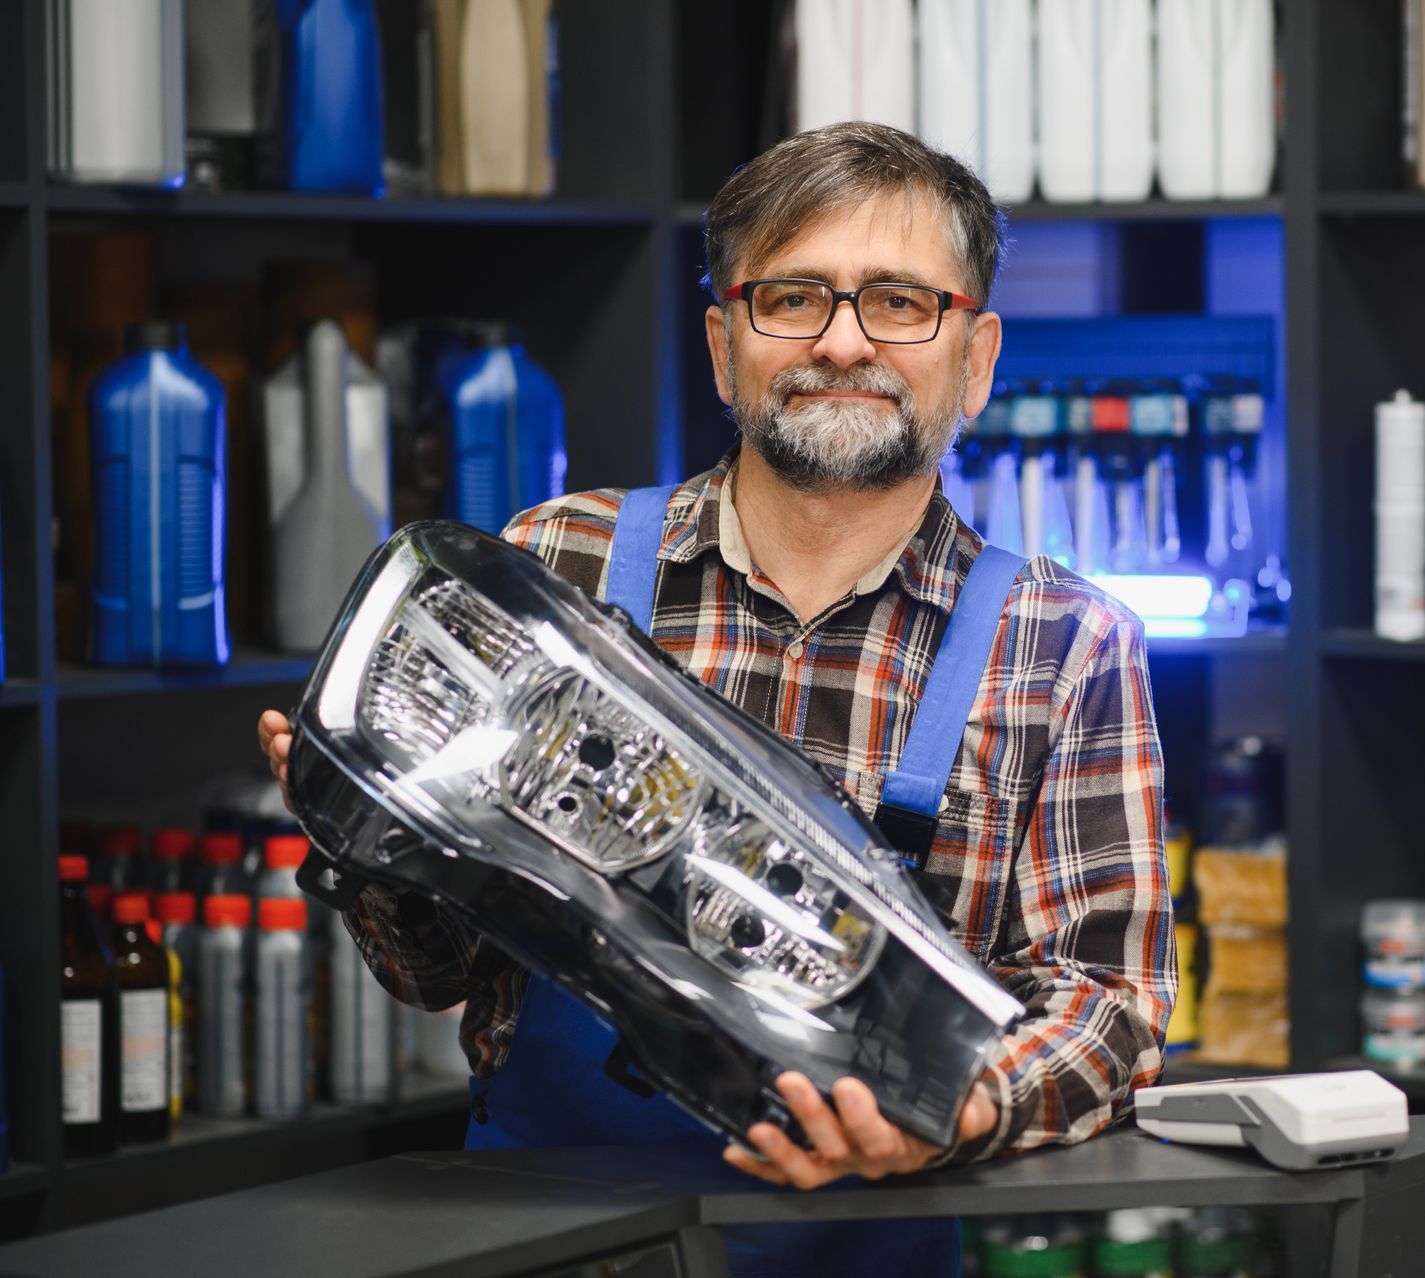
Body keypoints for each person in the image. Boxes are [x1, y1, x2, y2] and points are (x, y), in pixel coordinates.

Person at [257, 121, 1172, 1277]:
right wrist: (368, 827)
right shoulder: (552, 566)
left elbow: (1110, 1001)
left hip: (863, 1239)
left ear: (977, 354)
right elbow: (435, 974)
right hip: (544, 1230)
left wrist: (956, 1107)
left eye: (898, 301)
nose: (843, 343)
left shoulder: (1066, 643)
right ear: (722, 342)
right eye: (792, 297)